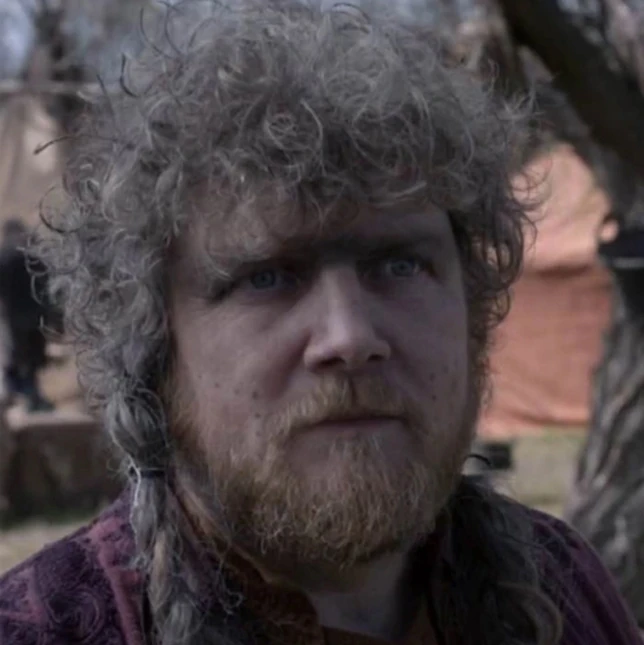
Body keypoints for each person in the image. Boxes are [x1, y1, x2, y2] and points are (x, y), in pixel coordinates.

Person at [0, 2, 641, 644]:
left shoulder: (562, 588)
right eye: (268, 277)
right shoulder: (43, 631)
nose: (350, 337)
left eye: (400, 265)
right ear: (154, 351)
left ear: (473, 311)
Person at [0, 219, 54, 412]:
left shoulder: (5, 256)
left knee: (19, 357)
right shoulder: (35, 255)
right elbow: (47, 285)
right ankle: (31, 396)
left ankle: (25, 395)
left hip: (15, 318)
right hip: (36, 315)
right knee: (31, 359)